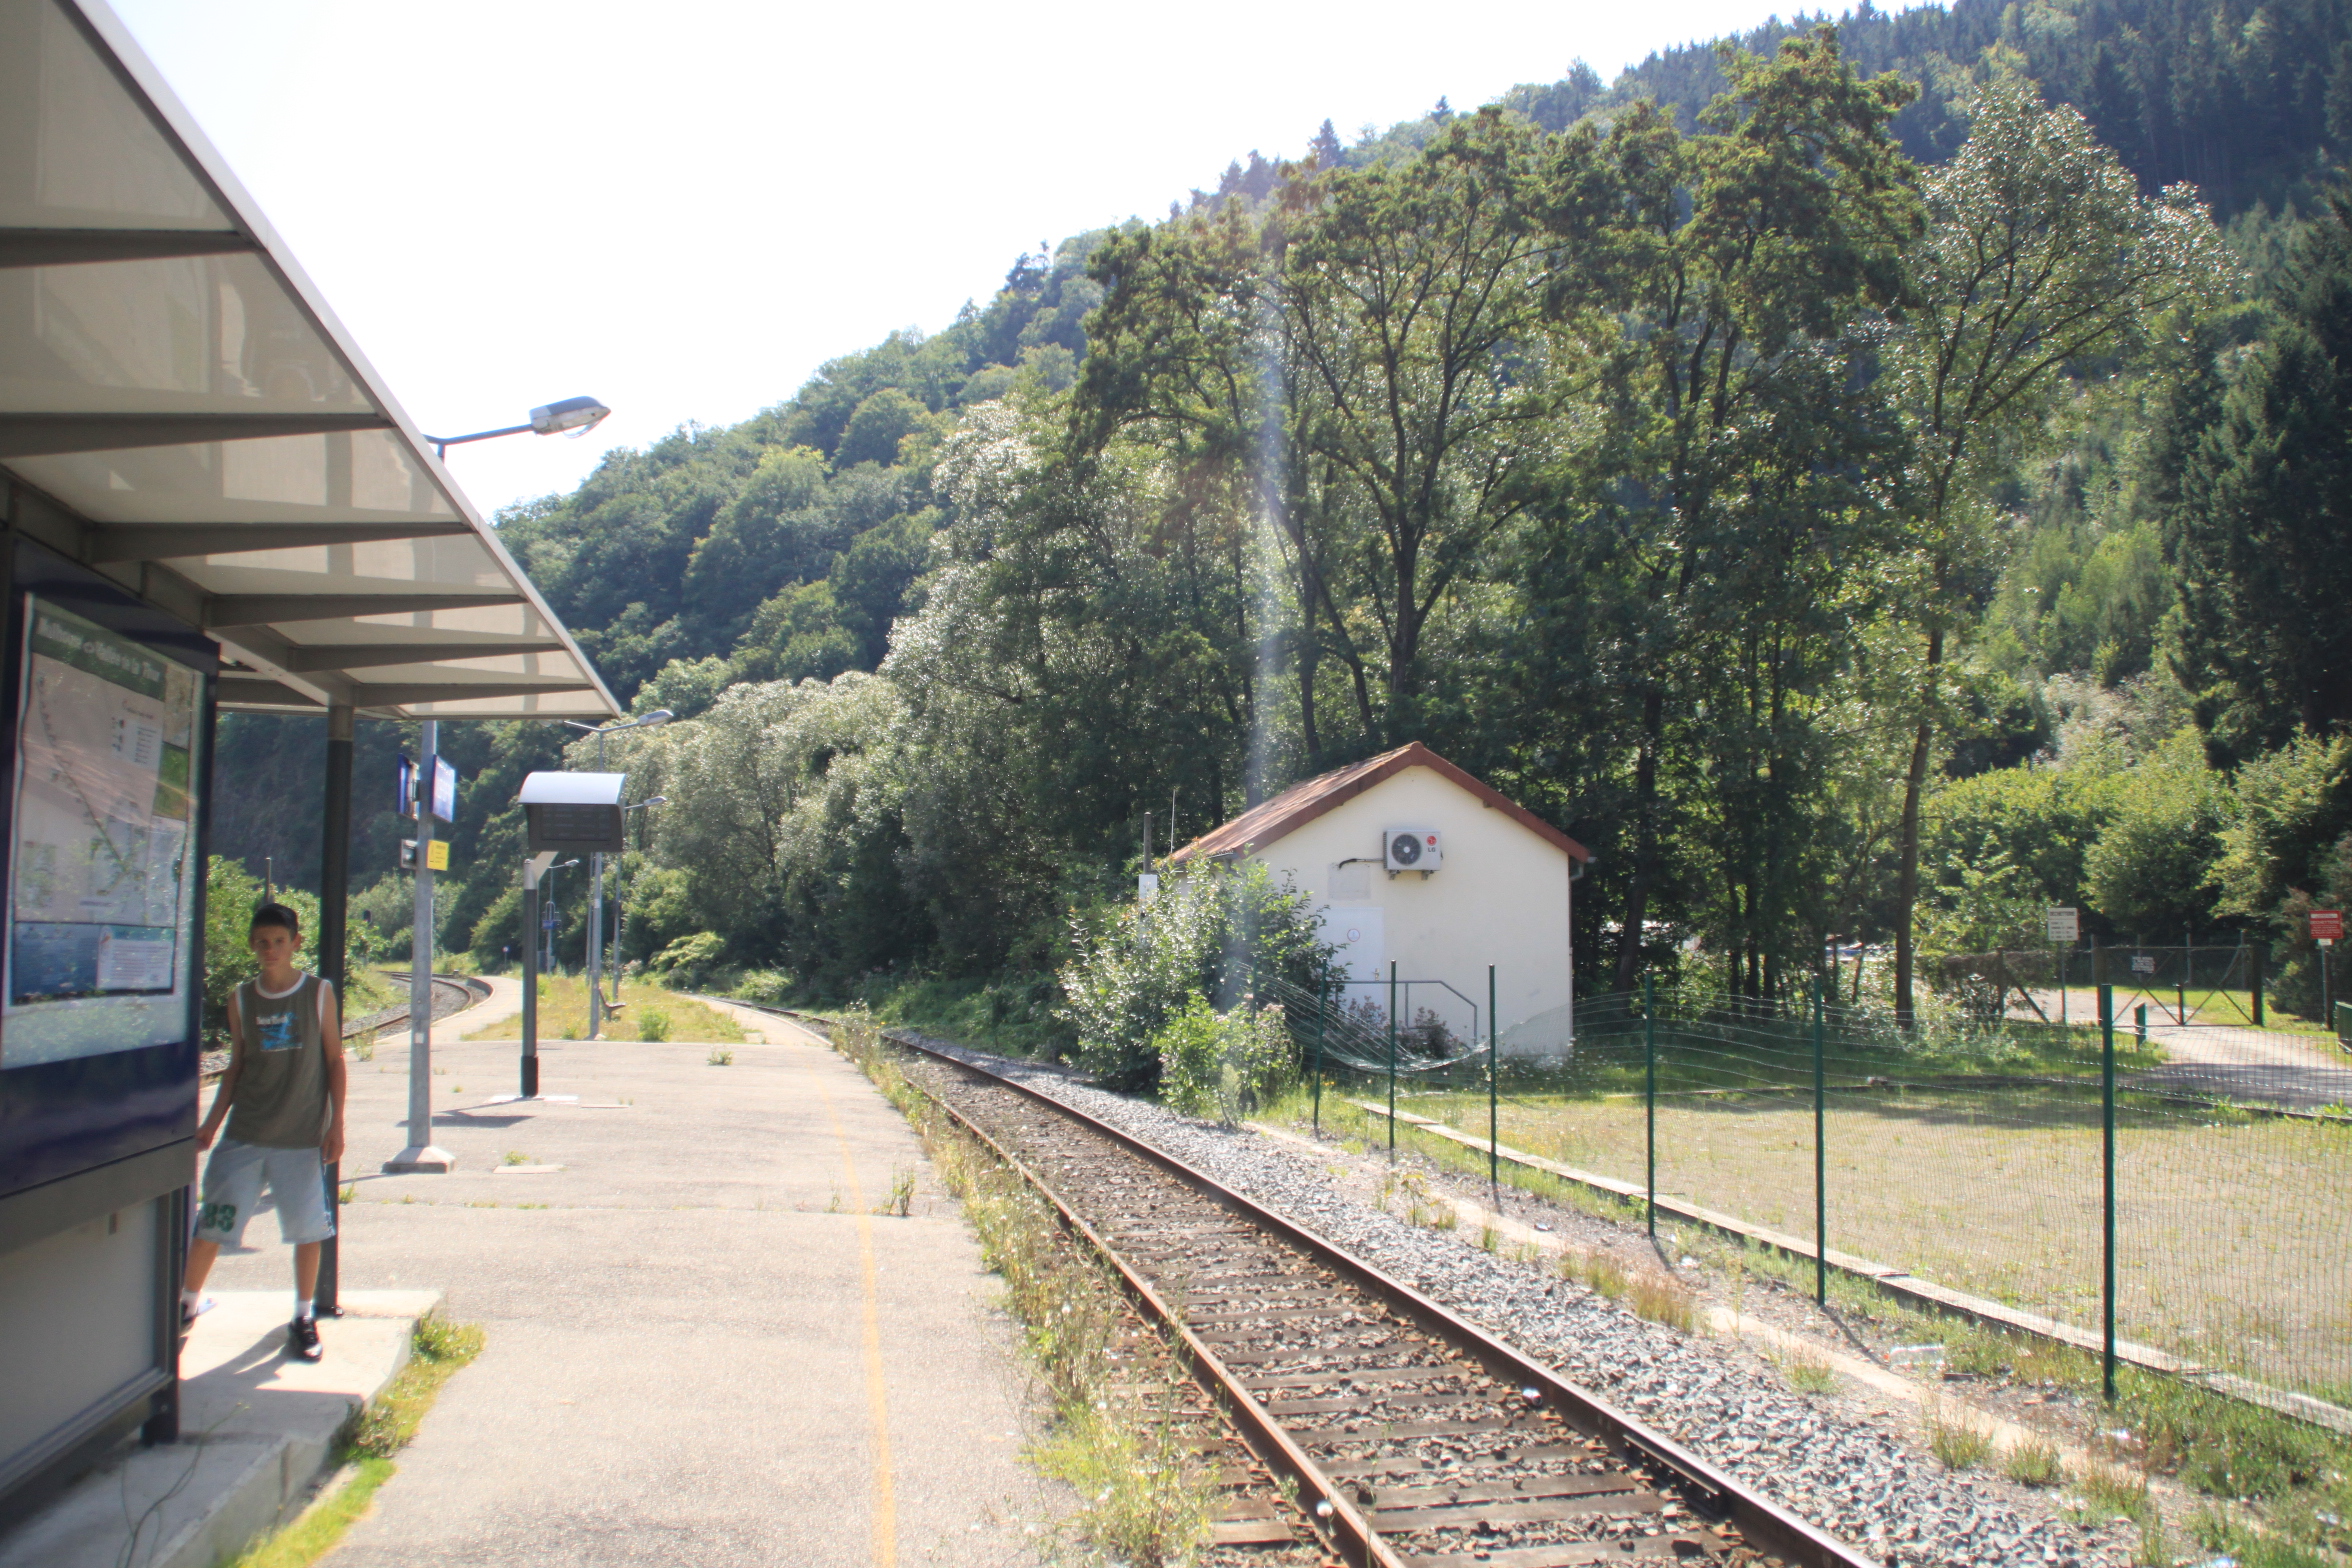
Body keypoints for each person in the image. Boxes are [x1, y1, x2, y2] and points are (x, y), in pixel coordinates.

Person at [182, 903, 346, 1362]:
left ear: (295, 943)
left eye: (279, 941)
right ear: (252, 945)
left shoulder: (317, 993)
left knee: (307, 1228)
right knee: (212, 1221)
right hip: (246, 1132)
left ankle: (302, 1315)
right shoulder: (241, 998)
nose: (270, 950)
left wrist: (337, 1123)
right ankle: (187, 1303)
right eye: (261, 942)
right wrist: (210, 1125)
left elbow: (335, 1059)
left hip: (300, 1137)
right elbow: (236, 1067)